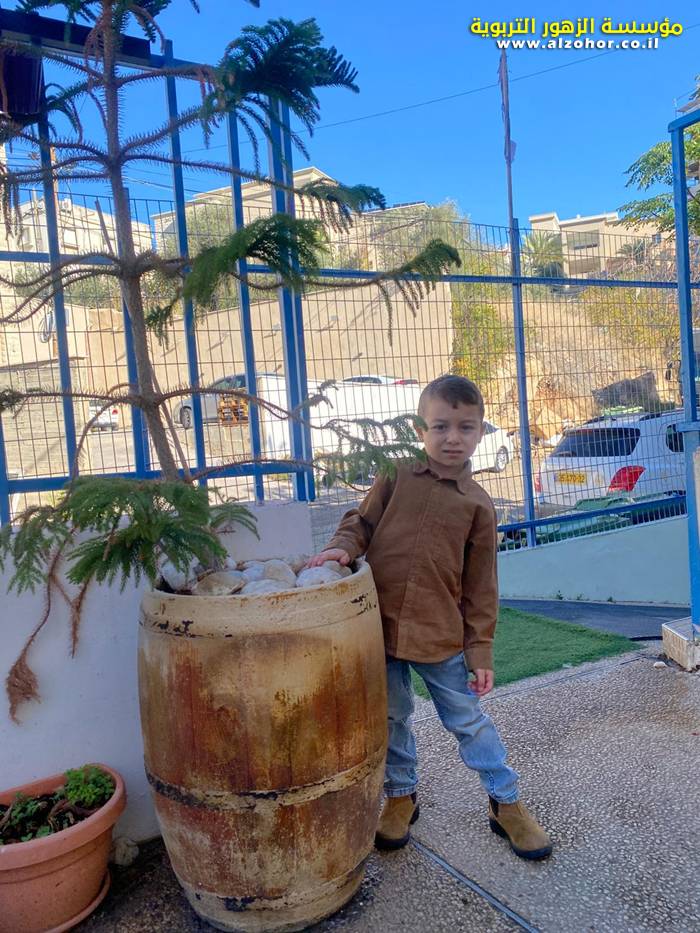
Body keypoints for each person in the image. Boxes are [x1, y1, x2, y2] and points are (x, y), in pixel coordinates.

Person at [307, 374, 552, 860]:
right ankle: (401, 797)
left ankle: (506, 802)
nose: (452, 438)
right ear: (421, 429)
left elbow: (481, 588)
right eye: (440, 426)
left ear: (480, 432)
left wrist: (479, 651)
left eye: (465, 427)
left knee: (468, 720)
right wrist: (342, 547)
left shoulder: (478, 506)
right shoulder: (396, 475)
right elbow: (361, 521)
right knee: (392, 716)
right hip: (378, 630)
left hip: (440, 639)